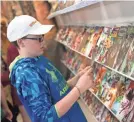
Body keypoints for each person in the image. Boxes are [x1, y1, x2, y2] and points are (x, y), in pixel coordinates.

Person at [7, 15, 94, 122]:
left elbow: (54, 90)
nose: (43, 41)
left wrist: (76, 80)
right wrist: (78, 89)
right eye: (38, 38)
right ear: (21, 42)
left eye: (42, 36)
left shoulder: (38, 58)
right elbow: (45, 117)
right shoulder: (26, 74)